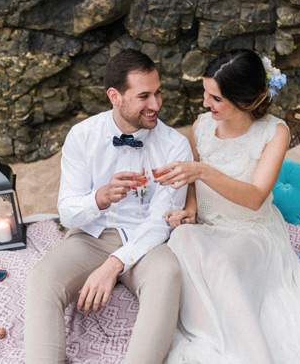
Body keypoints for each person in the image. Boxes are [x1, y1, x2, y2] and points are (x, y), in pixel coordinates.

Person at [155, 49, 300, 363]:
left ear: (245, 101)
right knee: (181, 238)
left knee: (219, 265)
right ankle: (211, 340)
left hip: (250, 231)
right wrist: (190, 210)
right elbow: (193, 184)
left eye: (216, 98)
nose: (205, 104)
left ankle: (255, 356)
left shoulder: (275, 133)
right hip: (208, 225)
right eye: (205, 94)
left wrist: (202, 171)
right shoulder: (200, 126)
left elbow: (255, 198)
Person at [24, 49, 193, 363]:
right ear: (115, 96)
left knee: (168, 275)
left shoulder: (175, 145)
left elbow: (160, 220)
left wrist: (113, 265)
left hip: (147, 243)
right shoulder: (83, 136)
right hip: (91, 237)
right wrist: (98, 198)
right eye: (144, 96)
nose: (156, 104)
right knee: (41, 279)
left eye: (158, 93)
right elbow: (67, 211)